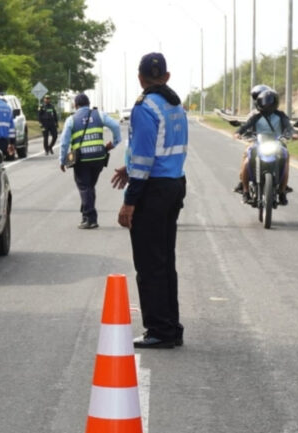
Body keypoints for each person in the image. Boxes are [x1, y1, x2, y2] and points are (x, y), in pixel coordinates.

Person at [110, 52, 188, 349]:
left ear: (140, 78)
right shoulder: (175, 105)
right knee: (165, 261)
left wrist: (129, 201)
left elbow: (143, 159)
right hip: (173, 185)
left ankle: (159, 330)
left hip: (153, 191)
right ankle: (171, 326)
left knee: (149, 264)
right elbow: (161, 151)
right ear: (166, 77)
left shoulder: (145, 108)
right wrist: (128, 169)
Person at [58, 92, 122, 229]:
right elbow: (116, 126)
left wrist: (62, 160)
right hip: (99, 158)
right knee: (89, 187)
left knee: (84, 187)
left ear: (75, 105)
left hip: (81, 159)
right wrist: (114, 143)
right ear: (88, 104)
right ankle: (85, 215)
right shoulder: (99, 114)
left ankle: (90, 218)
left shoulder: (71, 119)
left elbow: (64, 142)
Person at [233, 88, 296, 205]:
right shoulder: (256, 116)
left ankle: (282, 190)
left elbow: (288, 126)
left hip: (277, 142)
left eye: (269, 102)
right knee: (247, 157)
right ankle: (245, 190)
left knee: (286, 157)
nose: (267, 105)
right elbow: (246, 126)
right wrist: (238, 132)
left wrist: (293, 134)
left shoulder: (281, 115)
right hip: (258, 142)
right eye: (264, 102)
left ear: (275, 102)